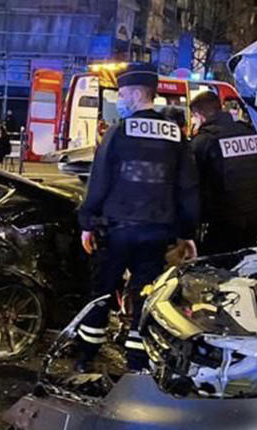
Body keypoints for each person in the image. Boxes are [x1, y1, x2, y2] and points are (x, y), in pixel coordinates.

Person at [76, 63, 199, 372]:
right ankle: (136, 364)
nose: (119, 100)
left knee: (102, 293)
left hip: (117, 231)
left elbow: (99, 181)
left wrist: (87, 222)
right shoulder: (175, 135)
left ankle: (84, 359)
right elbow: (188, 188)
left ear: (132, 93)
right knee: (144, 297)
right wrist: (186, 233)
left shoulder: (119, 131)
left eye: (121, 94)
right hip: (157, 233)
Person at [189, 91, 257, 255]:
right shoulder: (251, 133)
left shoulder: (205, 140)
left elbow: (191, 181)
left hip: (222, 219)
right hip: (254, 214)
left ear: (199, 115)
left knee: (216, 269)